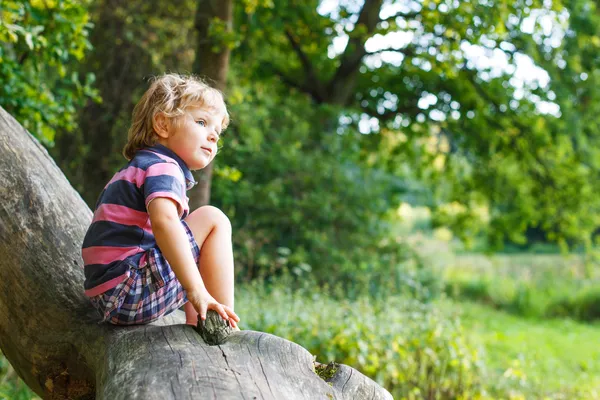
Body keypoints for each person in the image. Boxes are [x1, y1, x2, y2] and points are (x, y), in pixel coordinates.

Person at [81, 73, 240, 330]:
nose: (213, 136)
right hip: (128, 290)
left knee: (192, 231)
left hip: (109, 294)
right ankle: (220, 325)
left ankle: (202, 322)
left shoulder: (139, 167)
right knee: (212, 219)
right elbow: (165, 223)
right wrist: (196, 290)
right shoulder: (163, 167)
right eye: (202, 122)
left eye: (217, 132)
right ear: (163, 125)